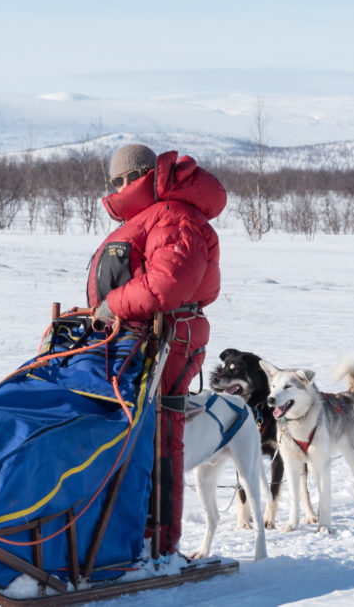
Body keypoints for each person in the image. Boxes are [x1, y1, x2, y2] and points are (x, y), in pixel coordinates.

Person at [86, 143, 226, 559]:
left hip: (164, 343)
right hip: (133, 343)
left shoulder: (175, 215)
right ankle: (120, 538)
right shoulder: (149, 217)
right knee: (131, 439)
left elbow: (169, 285)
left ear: (145, 175)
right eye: (116, 180)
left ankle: (157, 546)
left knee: (159, 442)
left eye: (128, 177)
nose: (122, 185)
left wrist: (111, 305)